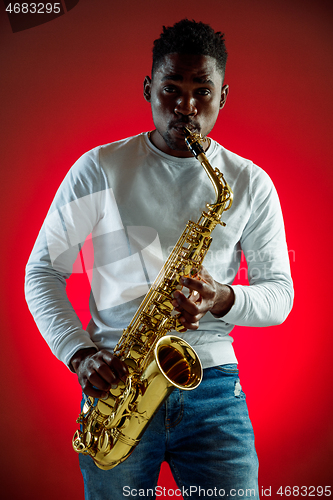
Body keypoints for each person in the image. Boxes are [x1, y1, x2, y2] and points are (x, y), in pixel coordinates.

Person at [25, 19, 293, 500]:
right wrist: (78, 352)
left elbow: (280, 294)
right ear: (149, 89)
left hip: (211, 386)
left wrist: (221, 298)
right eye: (171, 89)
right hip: (117, 383)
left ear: (223, 97)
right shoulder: (99, 168)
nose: (186, 107)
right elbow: (43, 270)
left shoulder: (250, 183)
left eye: (202, 92)